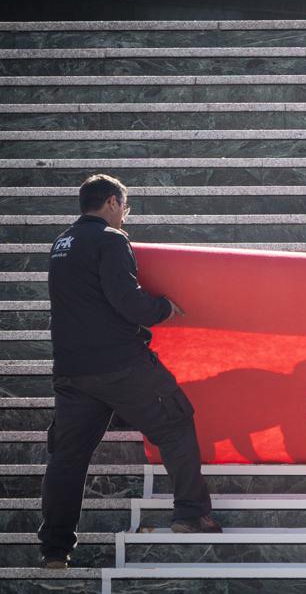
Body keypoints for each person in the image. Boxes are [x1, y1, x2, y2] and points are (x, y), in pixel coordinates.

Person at [40, 175, 219, 569]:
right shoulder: (110, 239)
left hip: (72, 371)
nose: (125, 215)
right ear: (110, 203)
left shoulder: (61, 244)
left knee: (68, 458)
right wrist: (162, 309)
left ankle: (55, 549)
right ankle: (191, 514)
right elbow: (128, 301)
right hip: (119, 364)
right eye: (124, 206)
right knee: (176, 422)